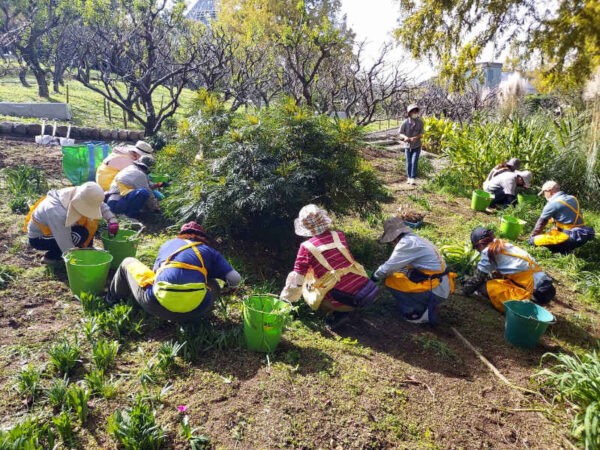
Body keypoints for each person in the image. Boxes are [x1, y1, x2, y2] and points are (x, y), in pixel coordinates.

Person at [107, 221, 241, 322]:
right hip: (197, 311)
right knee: (213, 284)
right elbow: (235, 278)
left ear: (182, 235)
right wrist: (231, 289)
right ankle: (197, 317)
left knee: (128, 262)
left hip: (156, 306)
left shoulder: (168, 244)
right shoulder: (210, 251)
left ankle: (111, 300)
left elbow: (155, 274)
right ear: (202, 238)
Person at [280, 205, 378, 329]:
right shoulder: (339, 235)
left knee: (311, 292)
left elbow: (297, 279)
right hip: (364, 289)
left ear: (306, 228)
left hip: (344, 299)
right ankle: (348, 308)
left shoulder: (306, 247)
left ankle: (339, 313)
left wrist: (287, 300)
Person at [371, 217, 455, 324]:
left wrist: (374, 276)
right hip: (441, 285)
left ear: (394, 237)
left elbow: (388, 267)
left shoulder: (406, 244)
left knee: (390, 280)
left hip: (435, 289)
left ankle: (415, 311)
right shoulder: (416, 239)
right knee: (399, 274)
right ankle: (423, 304)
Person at [461, 227, 555, 312]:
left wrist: (464, 290)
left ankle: (528, 305)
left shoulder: (488, 251)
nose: (478, 251)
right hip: (545, 286)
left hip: (535, 293)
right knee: (494, 276)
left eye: (476, 248)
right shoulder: (503, 244)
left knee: (484, 287)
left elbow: (477, 279)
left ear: (480, 245)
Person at [24, 182, 119, 264]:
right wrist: (78, 260)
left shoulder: (79, 193)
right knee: (80, 235)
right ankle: (51, 257)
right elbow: (64, 240)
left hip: (59, 228)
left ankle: (86, 248)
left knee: (88, 223)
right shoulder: (56, 211)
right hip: (41, 237)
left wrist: (111, 219)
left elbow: (98, 204)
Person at [530, 181, 595, 253]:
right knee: (551, 232)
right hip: (583, 235)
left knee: (533, 240)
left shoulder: (552, 204)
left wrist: (533, 237)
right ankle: (565, 248)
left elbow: (540, 224)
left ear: (549, 191)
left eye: (544, 193)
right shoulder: (572, 198)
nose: (544, 195)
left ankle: (563, 250)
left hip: (570, 238)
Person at [397, 104, 424, 185]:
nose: (415, 113)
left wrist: (415, 138)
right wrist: (405, 137)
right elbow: (400, 133)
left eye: (416, 111)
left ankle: (412, 178)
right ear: (409, 113)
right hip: (407, 145)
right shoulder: (405, 122)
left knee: (414, 161)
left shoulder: (420, 122)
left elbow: (421, 133)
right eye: (413, 112)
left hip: (417, 145)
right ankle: (408, 177)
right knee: (408, 162)